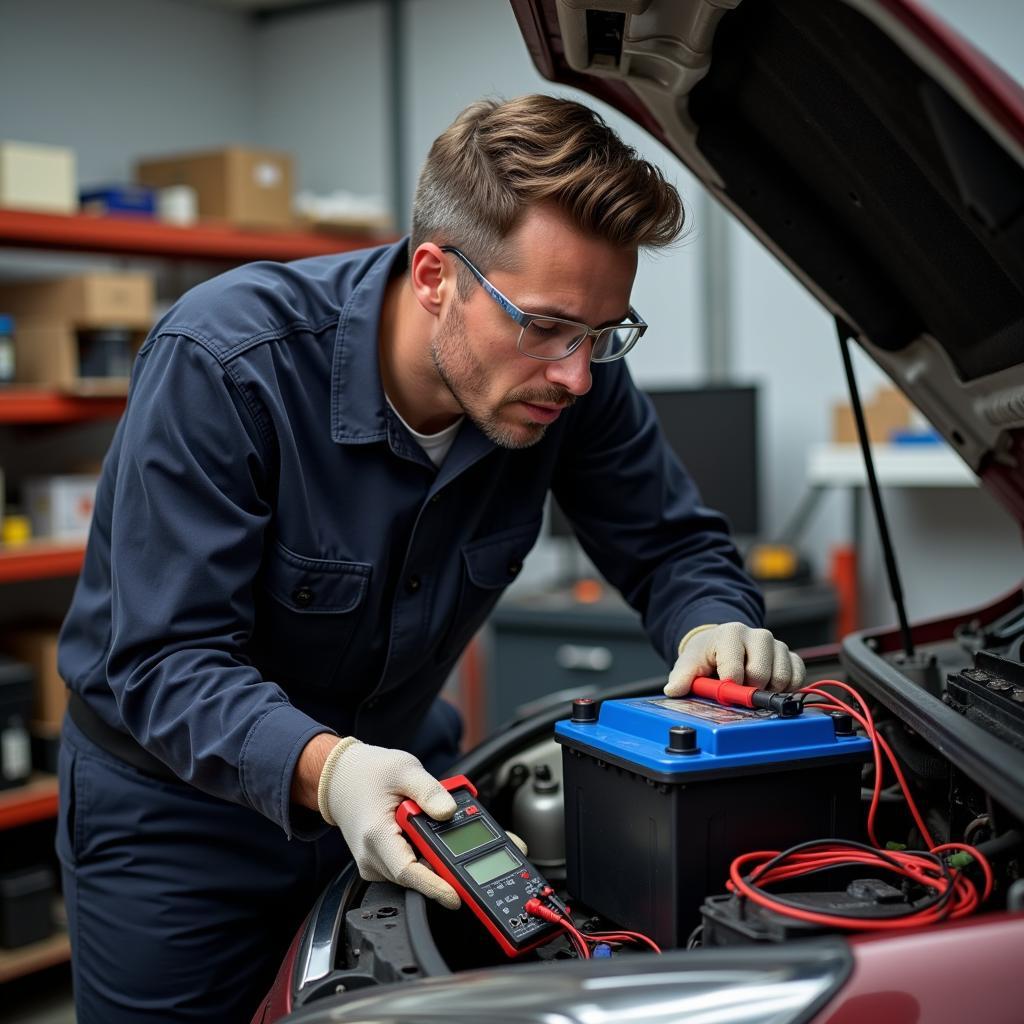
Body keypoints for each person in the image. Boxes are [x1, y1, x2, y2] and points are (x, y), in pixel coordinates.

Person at [55, 94, 804, 1022]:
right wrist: (329, 771)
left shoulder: (570, 377)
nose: (576, 371)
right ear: (433, 274)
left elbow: (671, 543)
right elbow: (163, 661)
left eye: (603, 333)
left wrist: (714, 620)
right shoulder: (227, 363)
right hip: (181, 820)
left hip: (404, 786)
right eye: (544, 325)